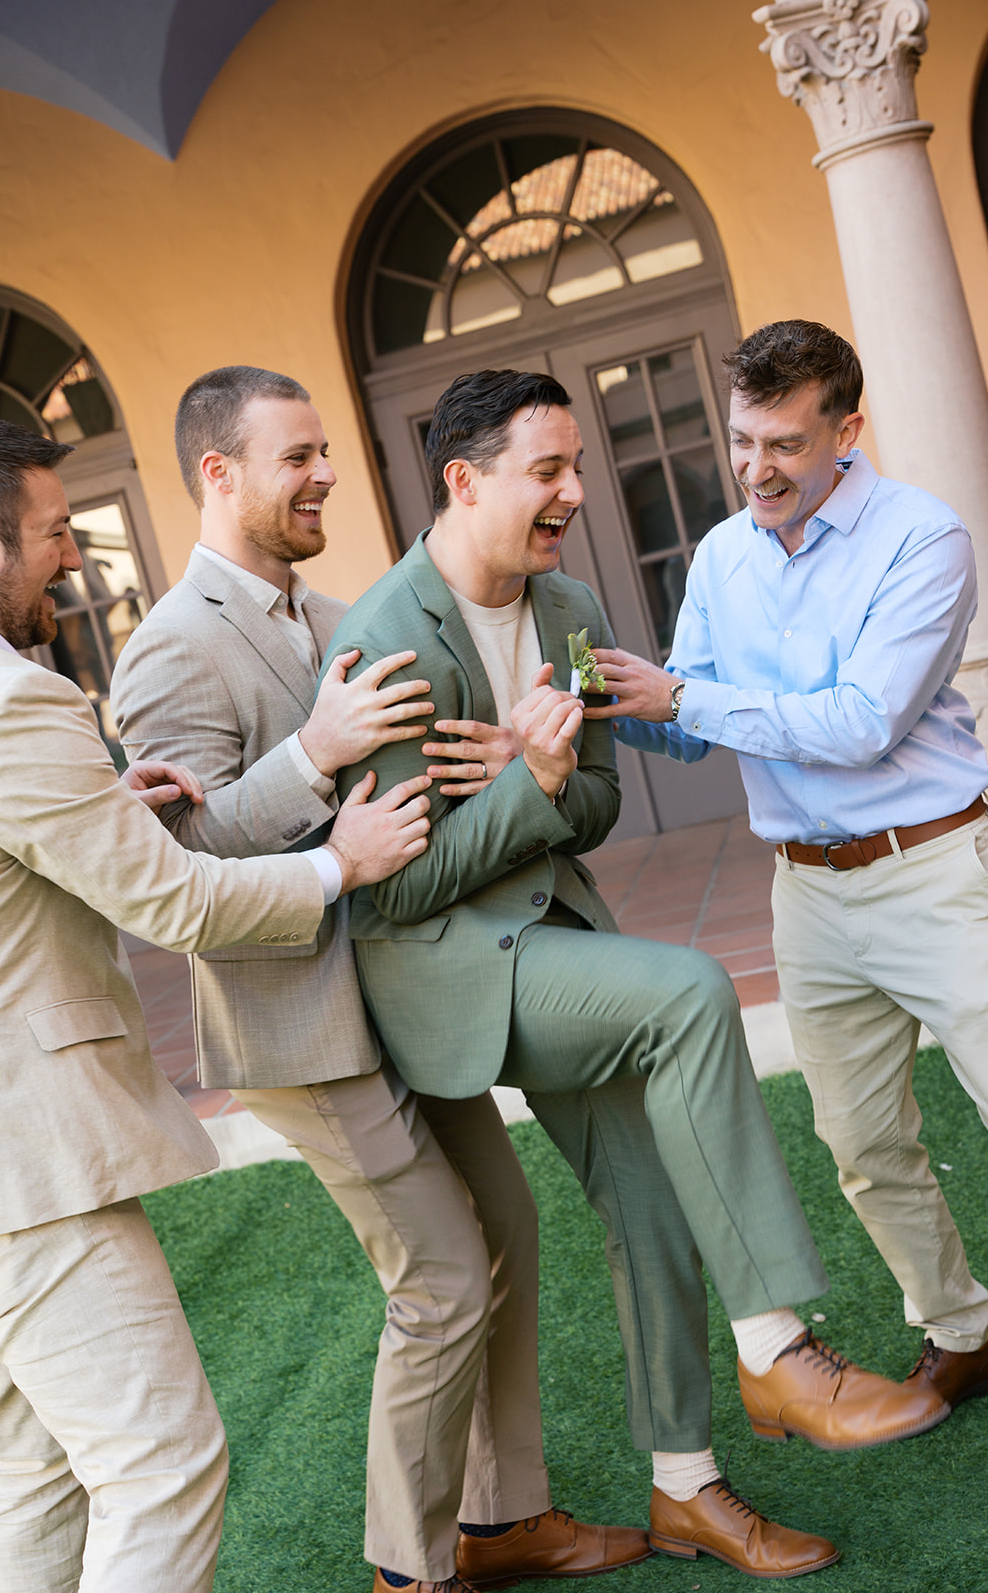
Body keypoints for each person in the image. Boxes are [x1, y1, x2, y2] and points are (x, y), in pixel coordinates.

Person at [325, 367, 950, 1581]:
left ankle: (685, 1491)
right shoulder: (384, 638)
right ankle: (774, 1345)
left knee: (654, 1210)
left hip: (551, 943)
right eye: (544, 470)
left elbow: (602, 795)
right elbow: (392, 887)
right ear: (463, 479)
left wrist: (545, 774)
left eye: (575, 465)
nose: (573, 490)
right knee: (683, 991)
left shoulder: (566, 604)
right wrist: (531, 784)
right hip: (449, 968)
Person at [111, 365, 647, 1593]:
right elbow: (173, 866)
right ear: (219, 471)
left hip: (404, 990)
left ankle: (505, 1519)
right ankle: (409, 1571)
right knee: (443, 1277)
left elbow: (418, 803)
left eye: (322, 453)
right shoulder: (168, 646)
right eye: (296, 455)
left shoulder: (343, 608)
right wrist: (313, 756)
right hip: (301, 1021)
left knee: (503, 1226)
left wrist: (511, 756)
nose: (324, 475)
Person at [0, 412, 433, 1593]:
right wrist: (336, 864)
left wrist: (106, 812)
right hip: (23, 1165)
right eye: (53, 533)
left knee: (31, 1465)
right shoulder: (9, 701)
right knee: (161, 1466)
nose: (76, 557)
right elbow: (181, 911)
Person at [586, 318, 988, 1417]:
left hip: (938, 868)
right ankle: (961, 1327)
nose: (754, 468)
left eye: (783, 445)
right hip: (803, 892)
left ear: (845, 430)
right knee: (859, 1141)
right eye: (739, 439)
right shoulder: (720, 555)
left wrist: (685, 698)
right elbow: (688, 719)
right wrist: (604, 704)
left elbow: (860, 722)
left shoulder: (923, 537)